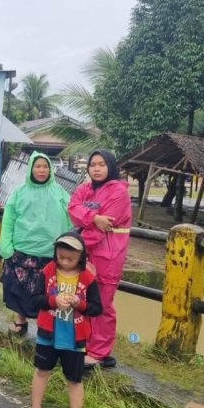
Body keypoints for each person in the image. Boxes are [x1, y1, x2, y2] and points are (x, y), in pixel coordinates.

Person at [24, 232, 102, 408]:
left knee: (75, 380)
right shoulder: (47, 271)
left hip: (75, 339)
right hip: (48, 335)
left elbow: (97, 309)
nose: (64, 262)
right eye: (61, 257)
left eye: (71, 259)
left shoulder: (88, 278)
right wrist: (53, 301)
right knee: (42, 371)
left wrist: (79, 303)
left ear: (81, 258)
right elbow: (35, 300)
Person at [68, 149, 131, 370]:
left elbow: (104, 228)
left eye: (102, 164)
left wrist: (79, 249)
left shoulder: (119, 192)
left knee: (102, 303)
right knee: (82, 298)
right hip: (85, 251)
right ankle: (85, 342)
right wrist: (94, 217)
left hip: (108, 254)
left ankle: (99, 352)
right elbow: (73, 209)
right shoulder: (84, 188)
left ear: (111, 167)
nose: (96, 168)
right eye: (93, 164)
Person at [0, 152, 71, 335]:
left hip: (49, 251)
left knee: (47, 291)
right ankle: (20, 322)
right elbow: (9, 218)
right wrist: (6, 243)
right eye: (37, 166)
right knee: (18, 288)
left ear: (50, 169)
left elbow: (72, 216)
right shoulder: (19, 191)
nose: (41, 170)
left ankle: (45, 326)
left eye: (45, 166)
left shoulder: (59, 192)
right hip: (22, 250)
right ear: (31, 168)